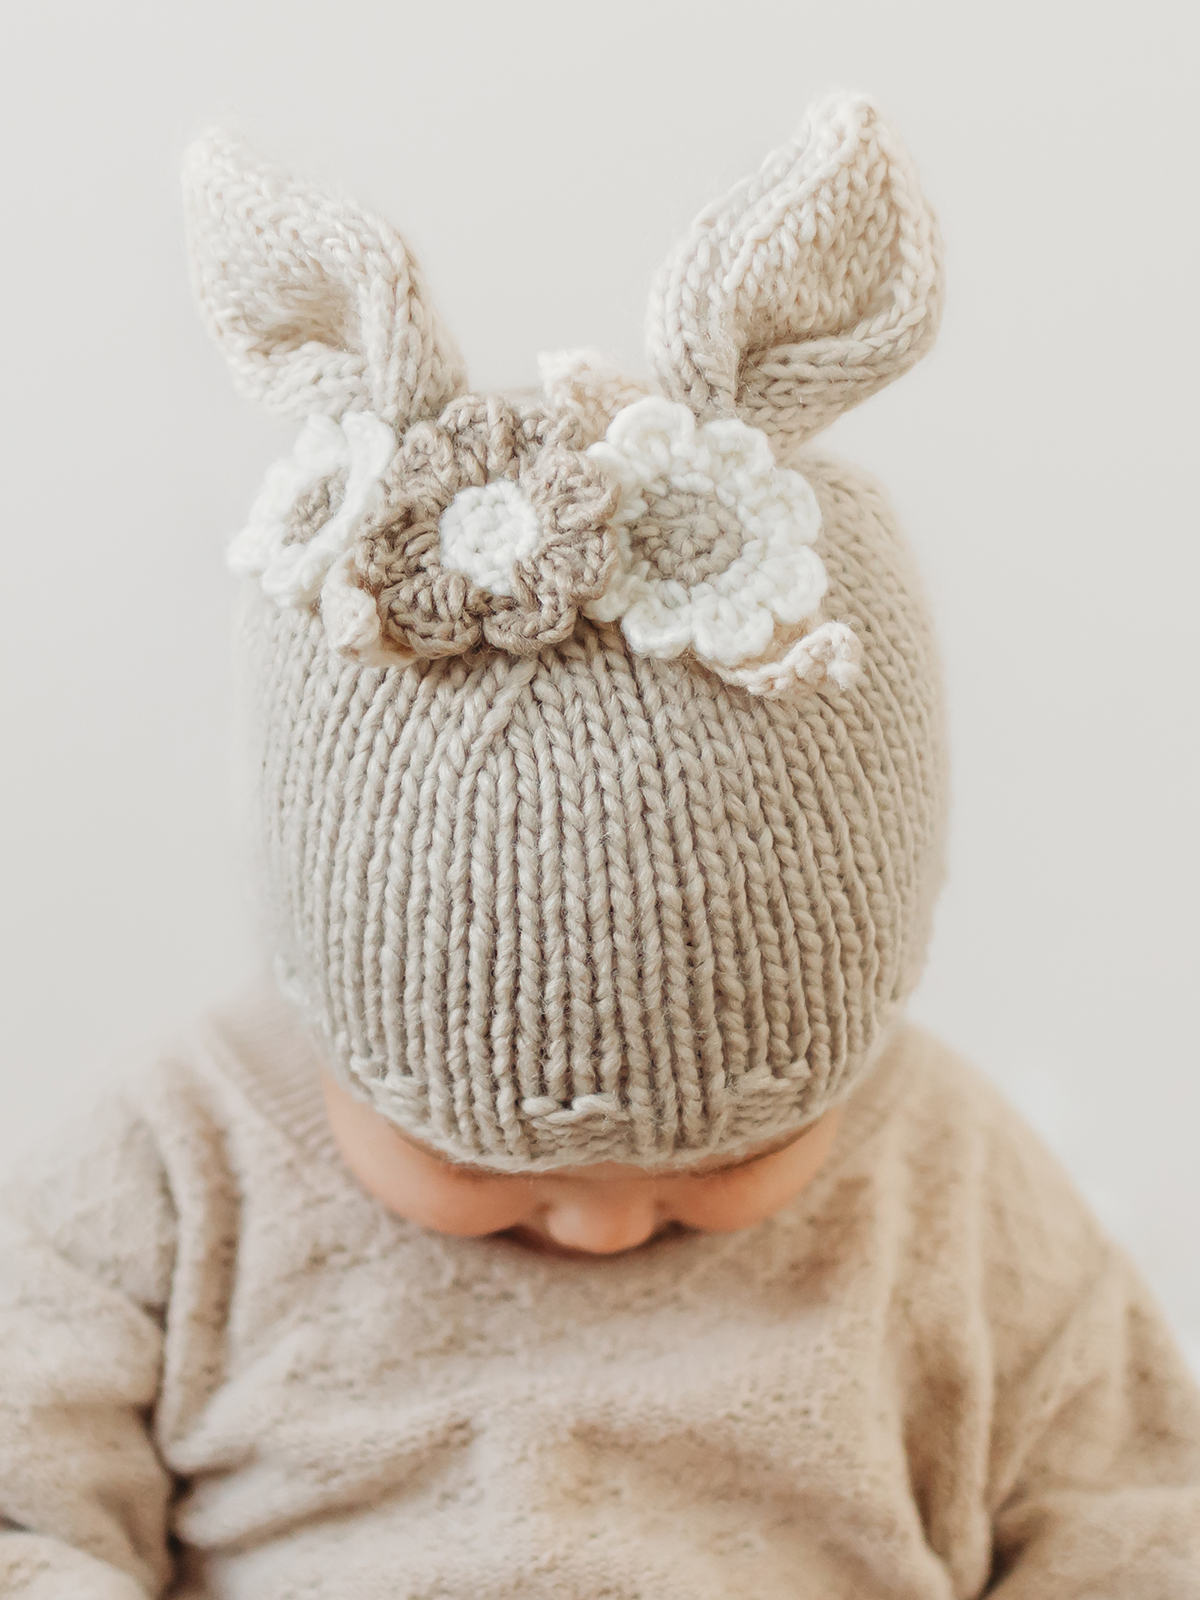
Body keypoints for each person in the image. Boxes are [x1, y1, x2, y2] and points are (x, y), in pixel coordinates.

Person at [1, 93, 1197, 1600]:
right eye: (470, 1153)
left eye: (736, 1145)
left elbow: (1134, 1510)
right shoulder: (181, 1164)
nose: (606, 1221)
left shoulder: (945, 1175)